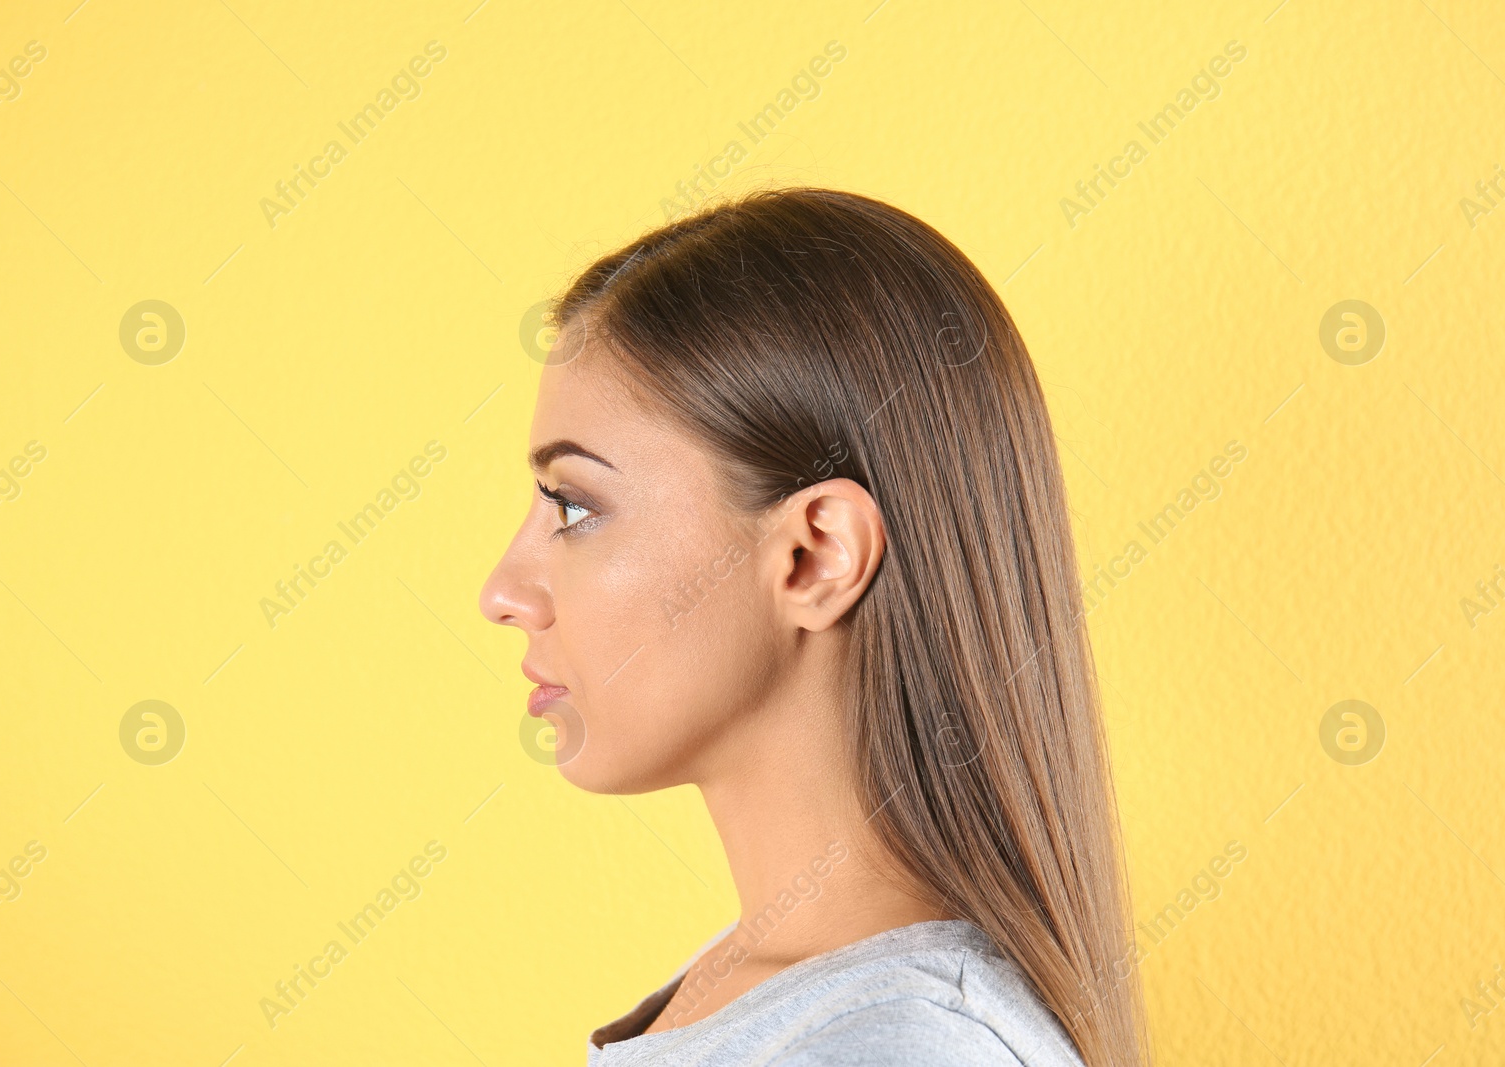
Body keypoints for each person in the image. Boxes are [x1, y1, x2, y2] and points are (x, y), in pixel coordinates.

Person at [481, 187, 1148, 1066]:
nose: (504, 591)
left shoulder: (892, 1046)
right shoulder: (787, 996)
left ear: (814, 556)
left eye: (574, 506)